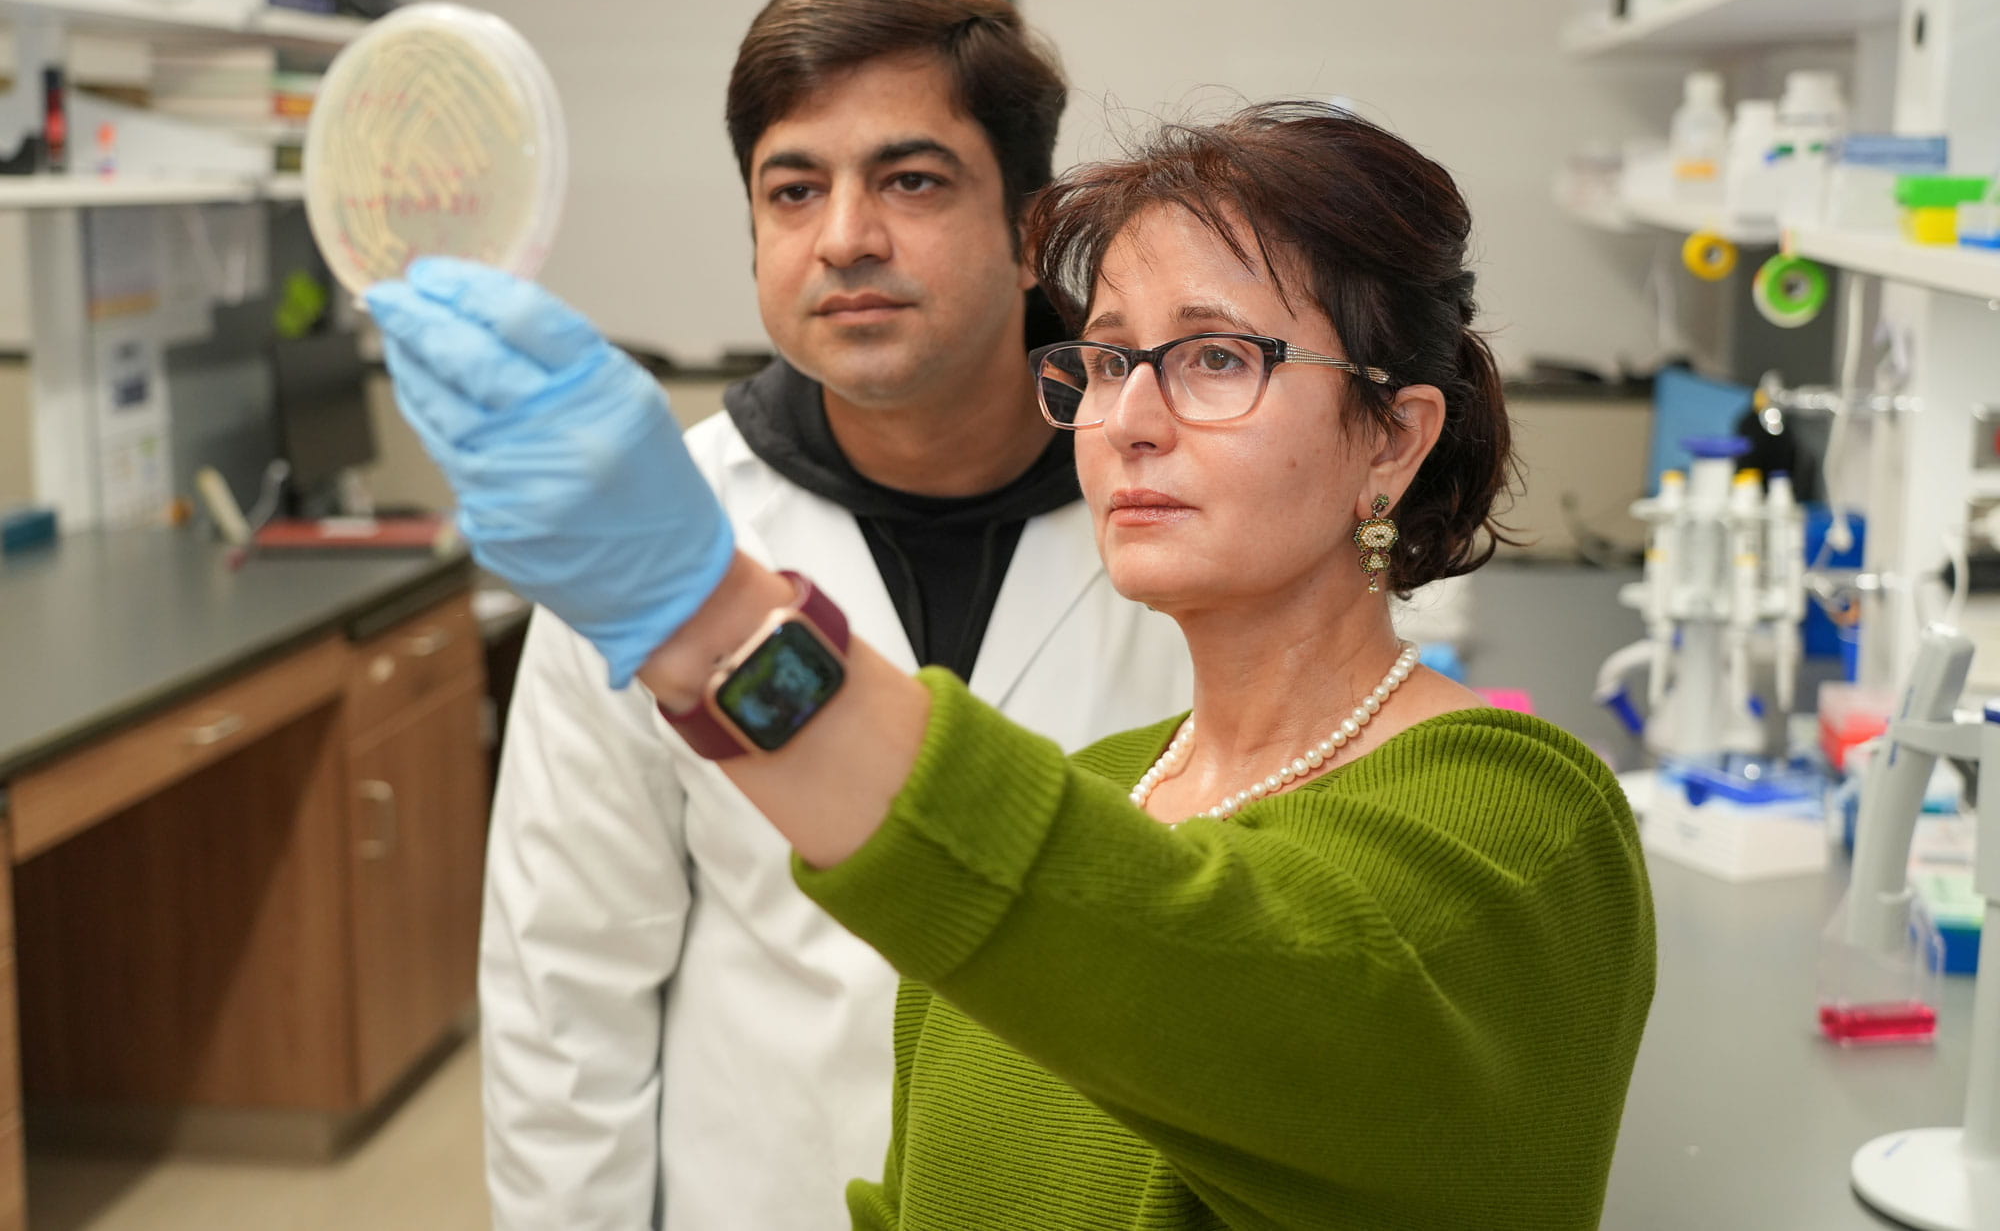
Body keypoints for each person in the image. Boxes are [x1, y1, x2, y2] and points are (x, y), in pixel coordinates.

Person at [371, 101, 1656, 1229]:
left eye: (1214, 357)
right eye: (1103, 358)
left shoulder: (1528, 827)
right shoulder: (1099, 787)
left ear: (1390, 439)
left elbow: (1172, 957)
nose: (1128, 417)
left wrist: (704, 618)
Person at [463, 0, 1192, 1230]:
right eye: (793, 189)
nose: (844, 235)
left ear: (1030, 231)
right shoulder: (658, 546)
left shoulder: (1185, 512)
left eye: (910, 181)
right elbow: (563, 982)